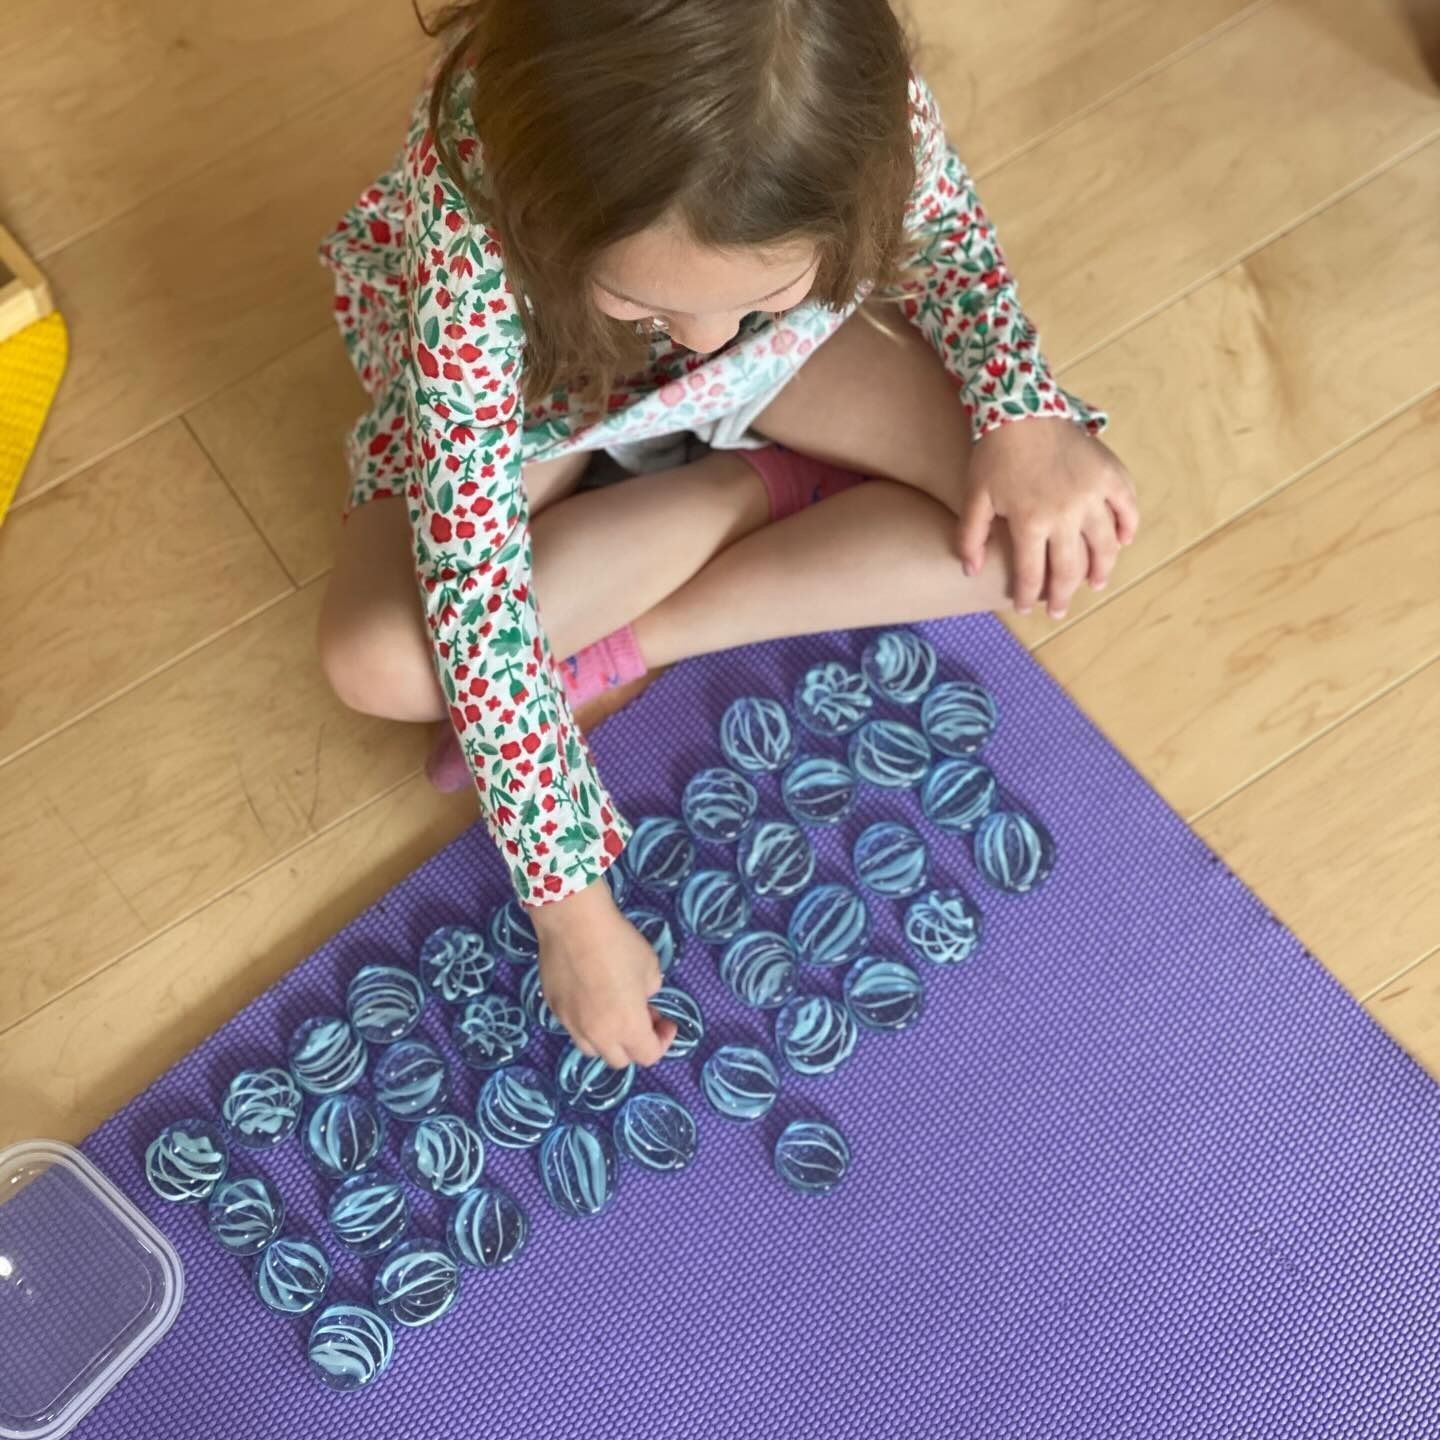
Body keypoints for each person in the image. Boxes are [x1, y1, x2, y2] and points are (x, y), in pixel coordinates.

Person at [317, 0, 1139, 1074]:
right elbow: (476, 587)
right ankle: (740, 499)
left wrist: (1019, 409)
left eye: (753, 290)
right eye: (644, 294)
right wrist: (572, 913)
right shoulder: (474, 201)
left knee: (1050, 527)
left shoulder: (848, 112)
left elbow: (950, 256)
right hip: (553, 390)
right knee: (378, 656)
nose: (700, 337)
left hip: (793, 364)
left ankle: (665, 599)